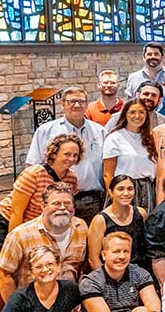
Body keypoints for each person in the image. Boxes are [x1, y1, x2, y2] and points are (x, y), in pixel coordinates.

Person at [25, 88, 105, 224]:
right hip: (57, 199)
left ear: (87, 104)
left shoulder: (100, 131)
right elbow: (32, 165)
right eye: (72, 101)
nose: (77, 105)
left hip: (91, 198)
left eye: (81, 101)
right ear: (62, 104)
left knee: (87, 239)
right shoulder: (46, 131)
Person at [0, 183, 88, 303]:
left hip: (70, 304)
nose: (62, 208)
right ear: (43, 206)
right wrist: (15, 310)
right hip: (32, 307)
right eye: (56, 203)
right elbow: (3, 274)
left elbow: (83, 266)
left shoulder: (81, 228)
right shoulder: (20, 235)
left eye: (67, 203)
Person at [0, 134, 81, 248]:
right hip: (7, 222)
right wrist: (14, 243)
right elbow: (16, 212)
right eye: (67, 154)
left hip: (38, 225)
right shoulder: (33, 174)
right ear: (54, 154)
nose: (71, 159)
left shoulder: (71, 179)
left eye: (75, 155)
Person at [103, 100, 157, 211]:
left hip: (147, 189)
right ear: (125, 114)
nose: (137, 116)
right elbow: (108, 174)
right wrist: (114, 196)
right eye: (132, 112)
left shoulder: (150, 137)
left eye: (141, 112)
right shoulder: (115, 138)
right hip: (123, 189)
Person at [88, 175, 147, 271]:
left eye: (130, 189)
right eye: (120, 189)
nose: (126, 193)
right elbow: (93, 259)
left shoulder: (141, 213)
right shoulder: (100, 220)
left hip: (139, 271)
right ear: (111, 192)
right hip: (111, 273)